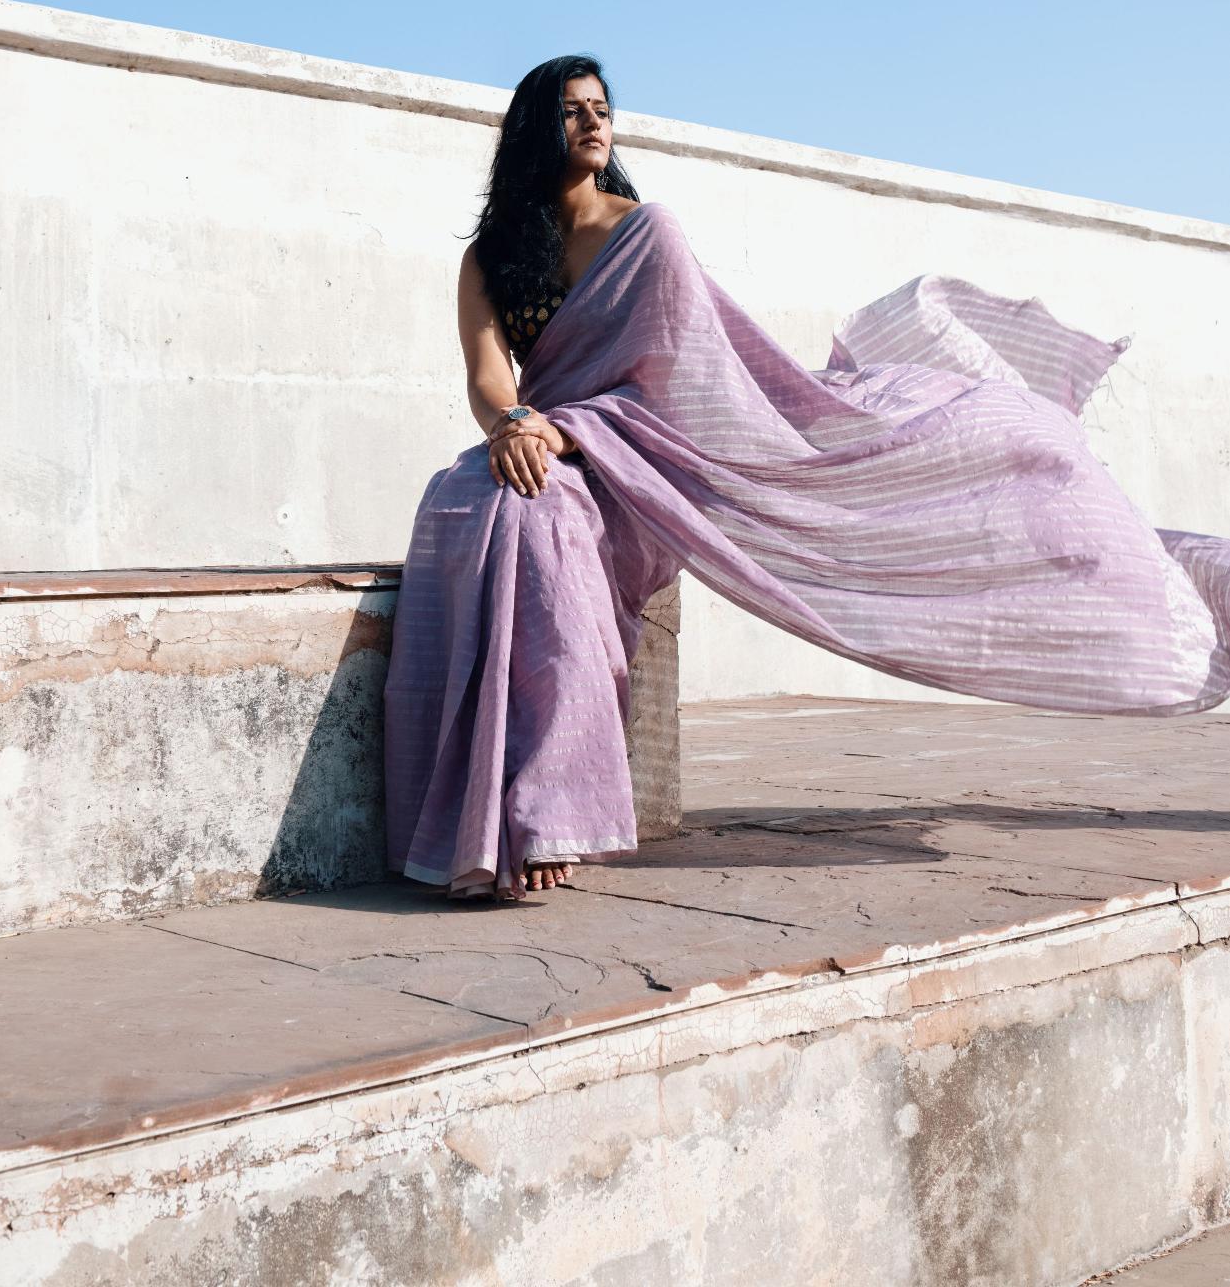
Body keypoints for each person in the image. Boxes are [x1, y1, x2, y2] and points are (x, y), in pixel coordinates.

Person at [383, 55, 1230, 902]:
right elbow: (487, 375)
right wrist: (513, 425)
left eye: (602, 109)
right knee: (469, 506)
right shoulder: (493, 257)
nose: (594, 124)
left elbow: (685, 380)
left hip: (643, 456)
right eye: (572, 112)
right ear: (536, 126)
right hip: (545, 442)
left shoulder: (647, 234)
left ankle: (547, 809)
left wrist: (574, 428)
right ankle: (489, 805)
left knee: (541, 525)